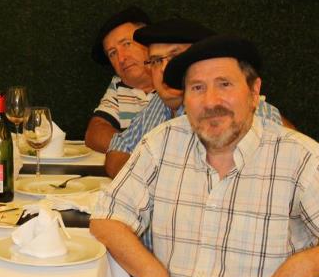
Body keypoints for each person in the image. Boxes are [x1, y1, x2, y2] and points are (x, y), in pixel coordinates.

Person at [89, 35, 319, 277]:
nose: (210, 101)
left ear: (254, 92)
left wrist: (304, 263)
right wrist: (152, 272)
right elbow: (106, 218)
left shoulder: (300, 157)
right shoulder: (162, 143)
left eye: (224, 84)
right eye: (197, 88)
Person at [104, 18, 284, 178]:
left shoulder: (248, 110)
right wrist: (141, 179)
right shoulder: (158, 104)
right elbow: (118, 147)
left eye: (175, 57)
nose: (165, 69)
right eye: (157, 61)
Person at [86, 6, 155, 153]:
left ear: (149, 41)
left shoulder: (178, 81)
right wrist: (140, 152)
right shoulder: (120, 85)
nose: (121, 58)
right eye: (112, 53)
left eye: (127, 44)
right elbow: (94, 133)